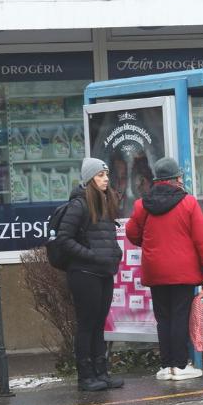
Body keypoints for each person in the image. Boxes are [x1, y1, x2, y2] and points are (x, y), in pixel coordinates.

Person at [125, 157, 203, 381]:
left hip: (155, 270)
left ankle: (166, 366)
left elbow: (132, 233)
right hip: (183, 272)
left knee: (163, 318)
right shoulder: (188, 203)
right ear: (176, 178)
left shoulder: (142, 204)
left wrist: (149, 245)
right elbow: (202, 239)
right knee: (179, 317)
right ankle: (180, 365)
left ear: (157, 180)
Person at [56, 157, 124, 391]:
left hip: (104, 271)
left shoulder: (105, 201)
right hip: (84, 273)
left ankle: (101, 373)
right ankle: (85, 376)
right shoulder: (79, 204)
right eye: (100, 175)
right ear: (89, 179)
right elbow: (64, 239)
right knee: (87, 324)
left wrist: (115, 253)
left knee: (98, 324)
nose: (106, 179)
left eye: (106, 174)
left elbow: (106, 235)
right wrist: (91, 255)